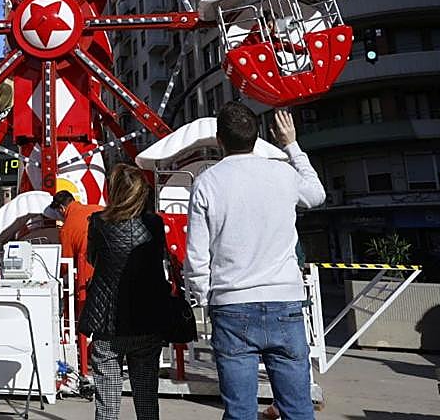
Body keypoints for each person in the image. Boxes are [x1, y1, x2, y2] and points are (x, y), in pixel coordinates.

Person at [185, 104, 326, 420]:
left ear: (219, 140)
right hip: (284, 301)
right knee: (298, 408)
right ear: (258, 135)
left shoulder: (207, 182)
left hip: (232, 304)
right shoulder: (283, 172)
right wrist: (291, 145)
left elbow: (196, 254)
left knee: (239, 411)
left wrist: (205, 297)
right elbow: (317, 195)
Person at [78, 163, 173, 420]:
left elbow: (93, 258)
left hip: (108, 319)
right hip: (146, 317)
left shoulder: (99, 222)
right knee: (146, 401)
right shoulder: (154, 223)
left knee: (107, 405)